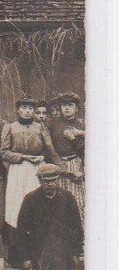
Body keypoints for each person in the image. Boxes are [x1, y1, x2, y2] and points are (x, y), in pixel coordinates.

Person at [13, 164, 84, 270]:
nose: (50, 184)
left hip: (63, 252)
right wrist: (25, 257)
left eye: (53, 181)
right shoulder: (30, 199)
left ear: (57, 180)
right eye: (46, 181)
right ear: (40, 181)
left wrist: (76, 253)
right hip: (38, 252)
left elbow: (76, 228)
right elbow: (21, 231)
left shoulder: (67, 198)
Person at [0, 94, 63, 229]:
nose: (28, 111)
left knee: (37, 199)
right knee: (17, 201)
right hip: (18, 169)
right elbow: (4, 152)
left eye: (30, 108)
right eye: (24, 107)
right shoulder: (10, 127)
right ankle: (18, 235)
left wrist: (55, 164)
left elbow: (49, 148)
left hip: (36, 168)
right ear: (18, 110)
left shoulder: (40, 127)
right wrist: (23, 157)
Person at [48, 91, 85, 227]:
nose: (67, 108)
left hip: (76, 165)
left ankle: (79, 235)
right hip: (58, 166)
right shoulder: (53, 124)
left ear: (77, 107)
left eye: (70, 105)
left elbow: (87, 151)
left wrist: (82, 170)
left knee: (78, 200)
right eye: (64, 105)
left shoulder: (82, 125)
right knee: (59, 202)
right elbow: (49, 147)